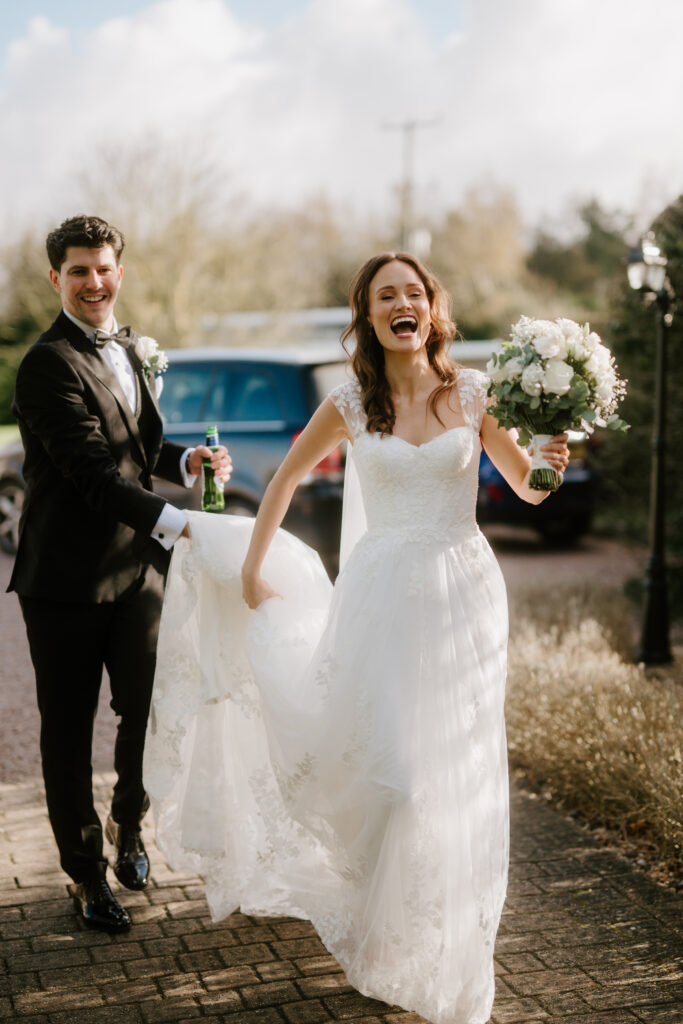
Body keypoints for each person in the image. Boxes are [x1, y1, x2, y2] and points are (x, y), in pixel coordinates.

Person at [144, 252, 569, 1024]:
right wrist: (249, 573)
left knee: (455, 771)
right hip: (378, 597)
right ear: (369, 317)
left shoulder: (472, 392)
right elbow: (282, 482)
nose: (401, 303)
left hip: (463, 595)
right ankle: (386, 924)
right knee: (395, 775)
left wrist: (549, 465)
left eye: (413, 292)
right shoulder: (348, 401)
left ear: (431, 310)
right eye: (385, 296)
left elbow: (525, 487)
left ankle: (448, 948)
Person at [9, 215, 231, 933]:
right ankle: (83, 876)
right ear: (56, 279)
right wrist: (182, 522)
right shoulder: (46, 365)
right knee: (68, 732)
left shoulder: (132, 347)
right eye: (78, 271)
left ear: (119, 272)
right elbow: (94, 476)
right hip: (64, 581)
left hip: (138, 572)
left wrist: (185, 466)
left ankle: (126, 824)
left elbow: (137, 450)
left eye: (103, 268)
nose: (94, 281)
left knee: (152, 707)